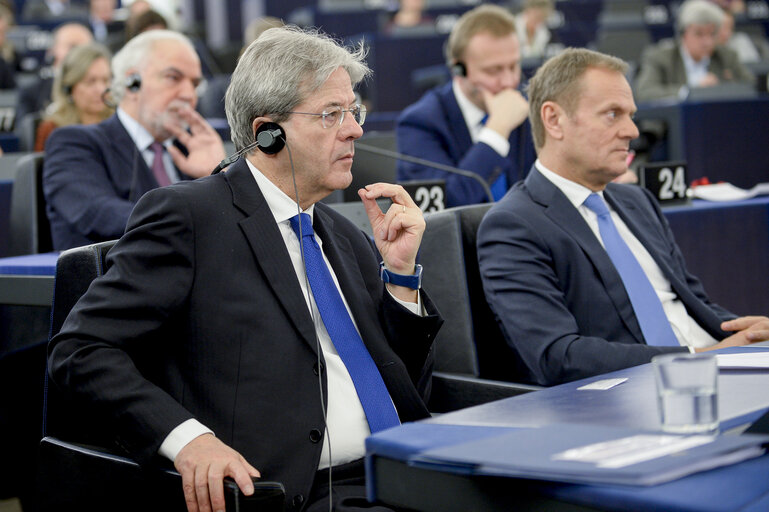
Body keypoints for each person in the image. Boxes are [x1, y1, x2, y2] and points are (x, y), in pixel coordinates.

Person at [48, 25, 442, 512]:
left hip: (402, 473)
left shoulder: (346, 236)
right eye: (331, 114)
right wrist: (188, 440)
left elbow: (409, 388)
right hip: (290, 492)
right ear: (268, 134)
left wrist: (400, 278)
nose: (355, 128)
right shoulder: (190, 218)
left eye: (353, 111)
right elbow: (80, 351)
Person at [477, 47, 769, 387]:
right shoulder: (513, 225)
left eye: (631, 114)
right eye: (613, 114)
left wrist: (749, 334)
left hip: (718, 372)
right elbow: (557, 356)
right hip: (634, 397)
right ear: (554, 120)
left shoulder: (637, 202)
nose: (632, 131)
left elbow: (693, 306)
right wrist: (701, 358)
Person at [43, 29, 225, 251]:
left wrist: (216, 177)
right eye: (173, 78)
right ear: (132, 82)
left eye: (195, 84)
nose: (189, 94)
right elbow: (98, 214)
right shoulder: (74, 143)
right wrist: (192, 217)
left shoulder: (192, 149)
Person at [396, 4, 535, 208]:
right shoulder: (420, 123)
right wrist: (496, 132)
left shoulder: (529, 110)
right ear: (458, 69)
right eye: (493, 70)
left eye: (514, 66)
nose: (508, 81)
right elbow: (445, 206)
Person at [634, 0, 754, 102]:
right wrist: (689, 91)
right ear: (683, 34)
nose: (707, 41)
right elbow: (644, 92)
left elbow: (751, 86)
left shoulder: (727, 55)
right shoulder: (660, 57)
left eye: (712, 34)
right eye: (699, 34)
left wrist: (720, 88)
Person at [35, 42, 113, 151]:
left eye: (106, 80)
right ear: (69, 87)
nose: (101, 90)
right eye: (90, 82)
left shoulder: (122, 124)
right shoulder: (52, 128)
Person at [16, 22, 93, 123]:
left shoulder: (101, 90)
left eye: (85, 50)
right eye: (72, 47)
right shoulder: (32, 92)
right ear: (52, 50)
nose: (78, 55)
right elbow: (25, 131)